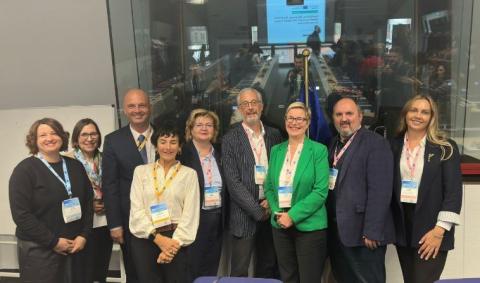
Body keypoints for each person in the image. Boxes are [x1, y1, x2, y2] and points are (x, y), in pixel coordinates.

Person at [9, 118, 93, 282]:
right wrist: (53, 242)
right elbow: (21, 215)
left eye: (54, 133)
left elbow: (88, 203)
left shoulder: (75, 166)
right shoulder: (24, 170)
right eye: (43, 135)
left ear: (62, 136)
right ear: (34, 140)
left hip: (75, 248)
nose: (49, 138)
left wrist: (84, 235)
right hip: (40, 251)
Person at [390, 95, 462, 283]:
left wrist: (439, 231)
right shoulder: (394, 145)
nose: (418, 116)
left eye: (425, 112)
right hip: (404, 227)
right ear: (405, 114)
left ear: (432, 117)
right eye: (414, 110)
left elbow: (453, 193)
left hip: (432, 229)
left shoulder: (445, 148)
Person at [327, 98, 395, 283]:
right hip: (338, 234)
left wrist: (372, 230)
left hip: (363, 235)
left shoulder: (376, 144)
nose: (344, 119)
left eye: (349, 114)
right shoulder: (333, 144)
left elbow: (380, 192)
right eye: (339, 114)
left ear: (360, 116)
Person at [264, 102, 329, 283]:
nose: (295, 122)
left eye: (300, 119)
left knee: (309, 279)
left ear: (307, 123)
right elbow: (269, 186)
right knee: (288, 277)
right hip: (280, 226)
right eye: (291, 118)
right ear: (285, 121)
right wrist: (279, 213)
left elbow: (320, 191)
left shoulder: (318, 150)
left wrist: (291, 216)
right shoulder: (276, 150)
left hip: (310, 227)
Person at [222, 87, 283, 278]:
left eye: (254, 103)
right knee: (239, 270)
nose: (250, 108)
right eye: (245, 104)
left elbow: (283, 173)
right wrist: (258, 211)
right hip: (244, 214)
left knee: (268, 265)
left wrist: (271, 203)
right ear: (239, 109)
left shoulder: (275, 135)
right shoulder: (230, 139)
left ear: (261, 106)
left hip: (271, 209)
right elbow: (233, 183)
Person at [129, 120, 200, 283]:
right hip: (145, 238)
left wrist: (172, 246)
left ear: (180, 146)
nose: (168, 147)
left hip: (176, 239)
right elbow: (136, 210)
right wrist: (158, 239)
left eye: (173, 142)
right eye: (163, 141)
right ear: (155, 145)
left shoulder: (189, 174)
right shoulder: (141, 172)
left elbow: (191, 214)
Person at [102, 88, 155, 282]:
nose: (137, 110)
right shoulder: (113, 141)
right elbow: (110, 185)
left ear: (150, 108)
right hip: (129, 219)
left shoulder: (165, 137)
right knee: (136, 271)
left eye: (142, 105)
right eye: (132, 106)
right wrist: (115, 224)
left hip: (164, 217)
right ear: (125, 110)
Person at [178, 109, 225, 280]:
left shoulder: (220, 152)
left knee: (211, 266)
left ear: (214, 130)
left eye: (209, 125)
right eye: (199, 125)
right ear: (190, 129)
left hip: (218, 217)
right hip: (194, 219)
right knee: (192, 266)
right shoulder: (182, 154)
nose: (204, 128)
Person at [65, 118, 113, 283]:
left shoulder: (107, 158)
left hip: (104, 223)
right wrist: (88, 205)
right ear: (76, 138)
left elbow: (114, 186)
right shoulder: (67, 160)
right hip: (80, 226)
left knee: (100, 271)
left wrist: (109, 202)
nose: (89, 138)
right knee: (82, 273)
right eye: (84, 134)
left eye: (93, 134)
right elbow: (64, 194)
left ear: (99, 136)